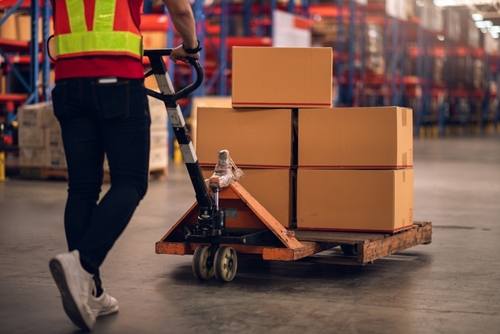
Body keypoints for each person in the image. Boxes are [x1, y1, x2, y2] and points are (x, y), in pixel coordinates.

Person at [48, 0, 201, 331]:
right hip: (117, 81)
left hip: (68, 83)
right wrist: (191, 46)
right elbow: (181, 8)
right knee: (131, 182)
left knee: (82, 188)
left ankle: (92, 291)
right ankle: (83, 264)